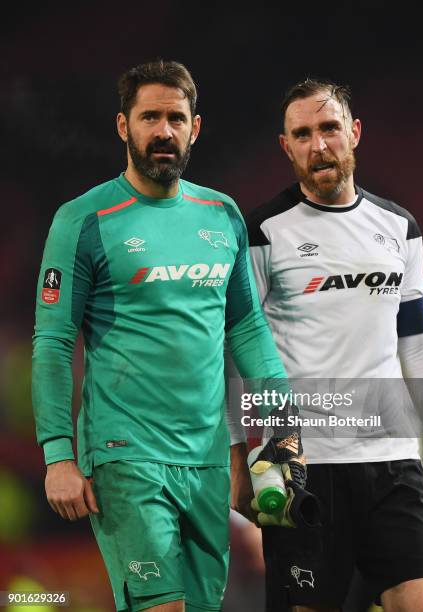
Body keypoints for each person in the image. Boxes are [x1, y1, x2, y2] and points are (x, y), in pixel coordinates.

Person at [31, 60, 303, 612]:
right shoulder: (84, 220)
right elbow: (54, 342)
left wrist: (280, 430)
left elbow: (247, 329)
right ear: (122, 126)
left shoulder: (222, 214)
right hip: (125, 455)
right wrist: (58, 454)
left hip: (205, 461)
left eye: (175, 118)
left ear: (195, 128)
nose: (163, 131)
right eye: (149, 117)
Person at [226, 79, 423, 611]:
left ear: (354, 133)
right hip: (298, 464)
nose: (319, 144)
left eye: (329, 128)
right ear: (286, 147)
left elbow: (418, 344)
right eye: (302, 134)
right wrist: (240, 456)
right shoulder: (262, 232)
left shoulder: (399, 227)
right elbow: (236, 352)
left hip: (395, 460)